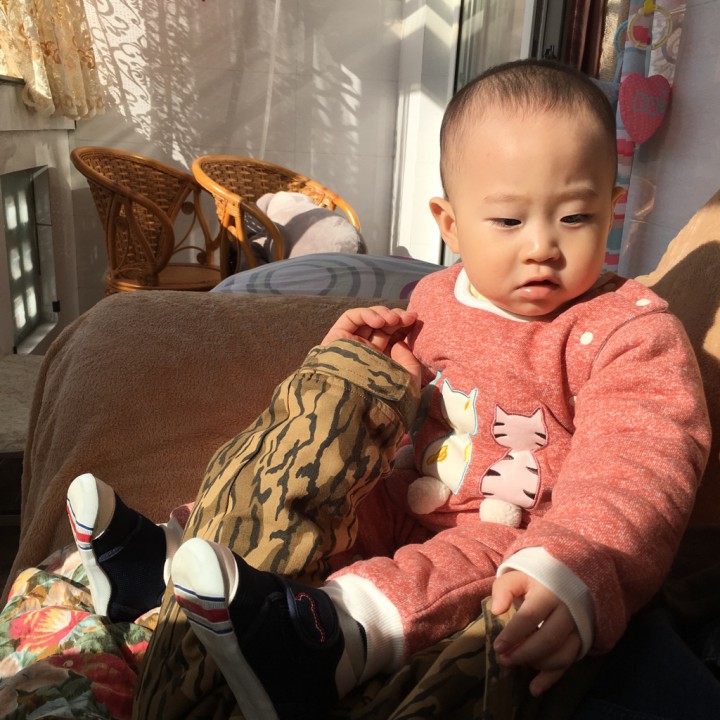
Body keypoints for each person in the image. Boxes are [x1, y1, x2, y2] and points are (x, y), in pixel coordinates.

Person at [65, 59, 710, 720]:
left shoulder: (626, 331)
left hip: (510, 530)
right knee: (321, 457)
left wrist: (574, 565)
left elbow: (640, 462)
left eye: (575, 216)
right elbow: (398, 413)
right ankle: (169, 563)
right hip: (402, 491)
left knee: (466, 564)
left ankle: (327, 638)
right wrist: (357, 366)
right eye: (508, 221)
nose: (543, 245)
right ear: (450, 224)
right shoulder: (434, 296)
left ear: (613, 208)